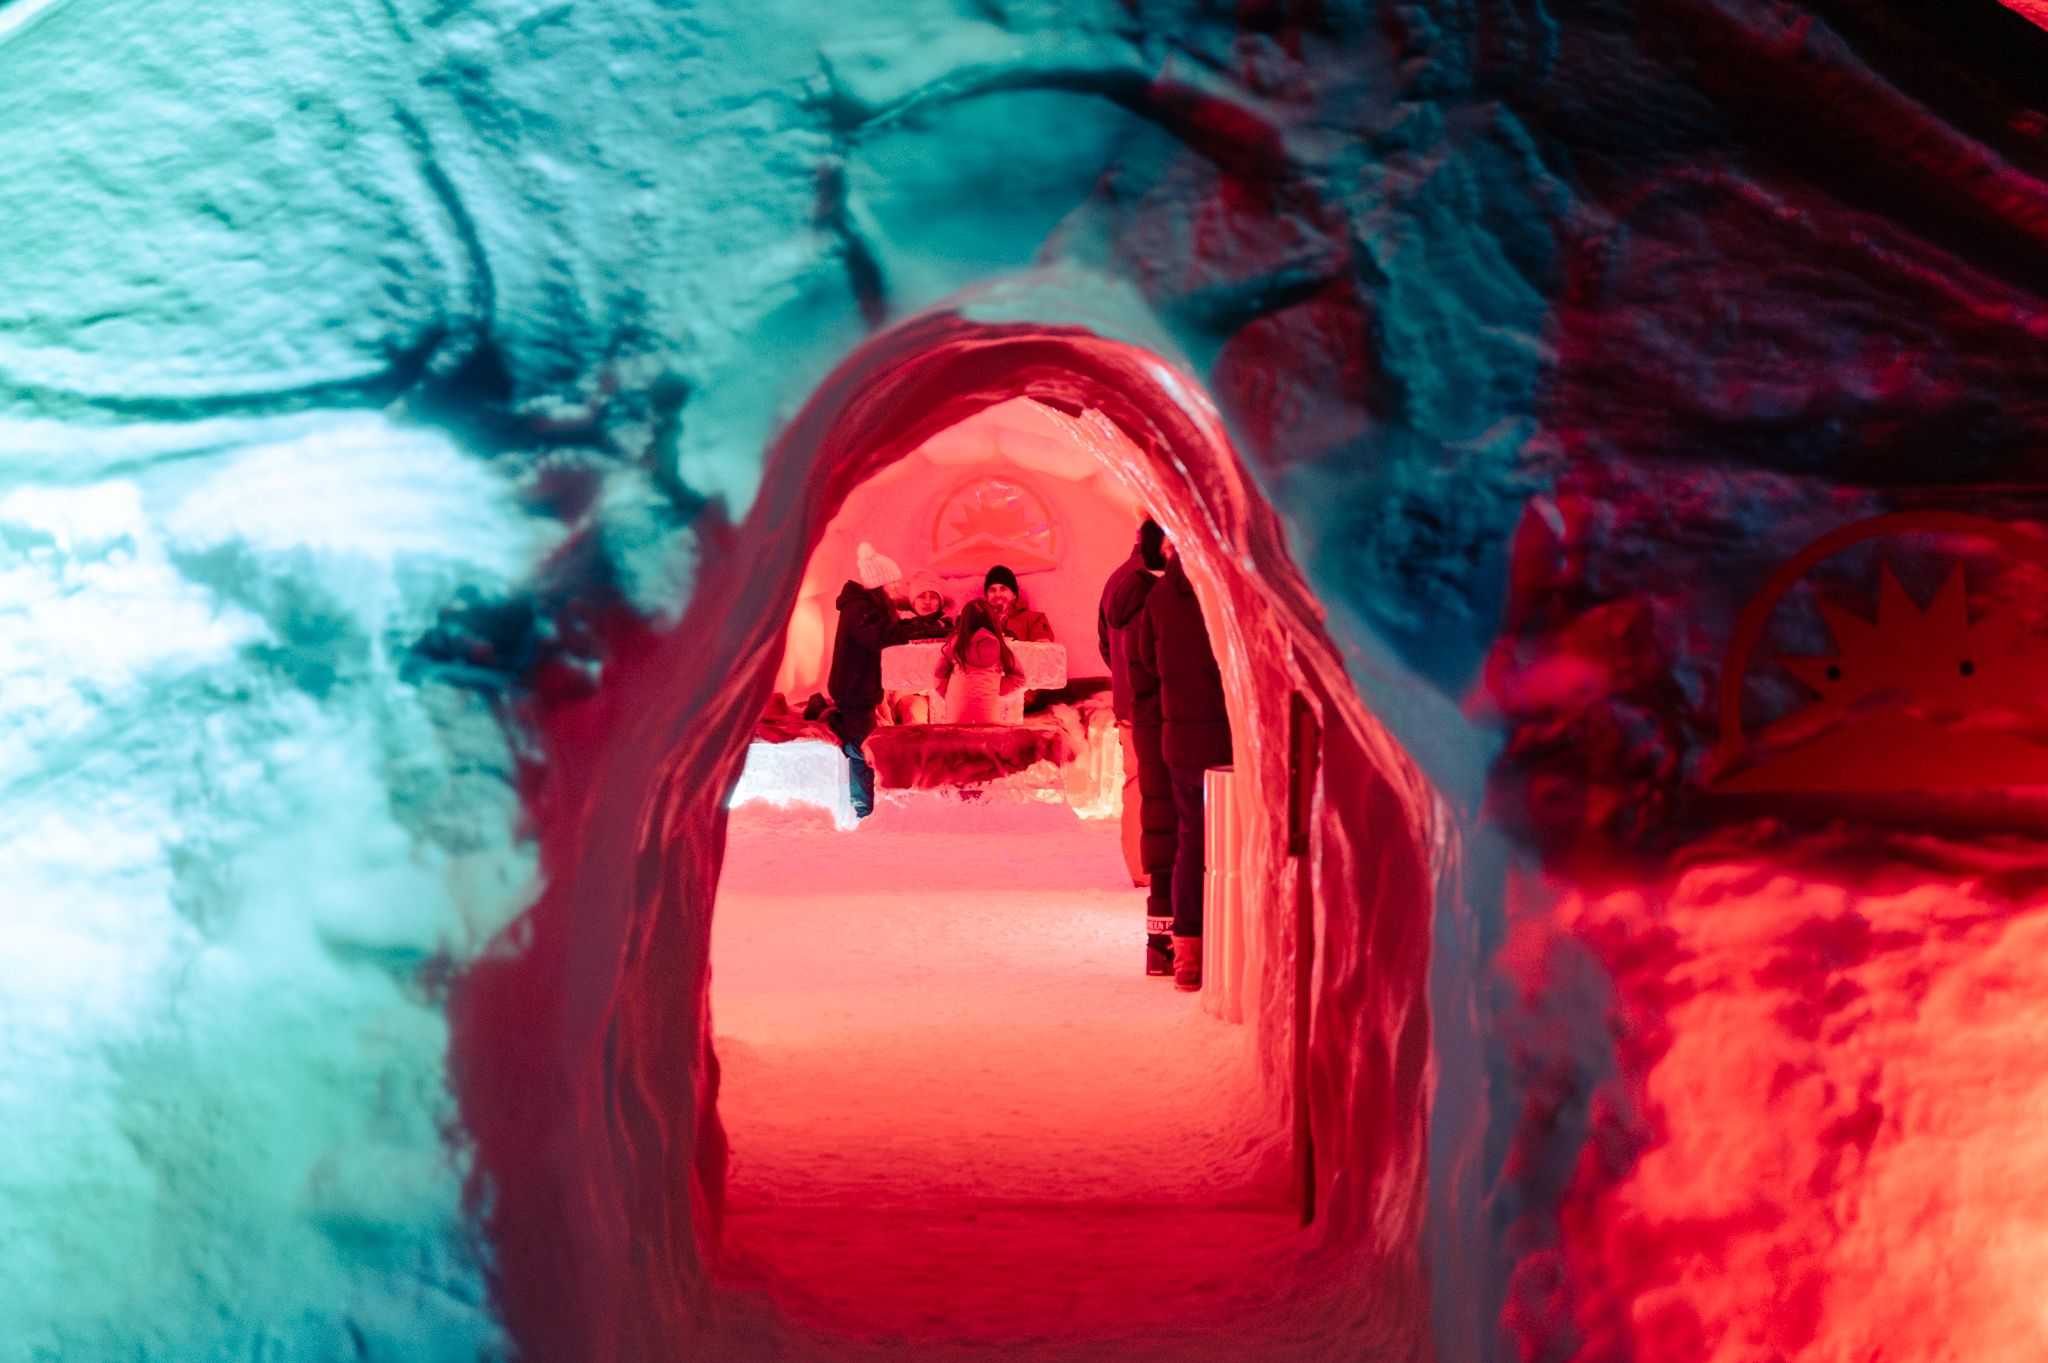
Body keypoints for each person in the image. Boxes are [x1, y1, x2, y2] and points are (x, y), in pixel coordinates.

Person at [1132, 547, 1231, 990]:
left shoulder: (1158, 599)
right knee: (1231, 843)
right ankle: (1230, 950)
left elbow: (1149, 664)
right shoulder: (1222, 591)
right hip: (1224, 736)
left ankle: (1188, 956)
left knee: (1190, 842)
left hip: (1178, 738)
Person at [1098, 519, 1166, 891]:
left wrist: (1125, 679)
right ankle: (1162, 864)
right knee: (1166, 782)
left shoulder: (1115, 581)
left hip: (1128, 702)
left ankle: (1139, 867)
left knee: (1136, 782)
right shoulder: (1167, 582)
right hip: (1159, 701)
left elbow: (1105, 645)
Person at [825, 542, 904, 819]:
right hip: (853, 689)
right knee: (862, 748)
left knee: (864, 742)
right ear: (879, 584)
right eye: (892, 584)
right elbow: (881, 636)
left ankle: (864, 802)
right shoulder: (859, 609)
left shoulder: (863, 607)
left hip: (858, 688)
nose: (896, 589)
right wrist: (917, 627)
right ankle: (862, 807)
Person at [933, 598, 1026, 724]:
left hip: (956, 713)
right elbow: (1019, 678)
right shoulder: (1001, 647)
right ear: (993, 621)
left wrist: (951, 694)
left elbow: (939, 675)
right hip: (988, 712)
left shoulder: (955, 644)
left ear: (964, 621)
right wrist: (992, 687)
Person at [982, 565, 1054, 641]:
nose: (997, 594)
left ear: (1014, 595)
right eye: (992, 590)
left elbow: (1043, 650)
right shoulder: (976, 620)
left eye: (1003, 589)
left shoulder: (1035, 620)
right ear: (986, 596)